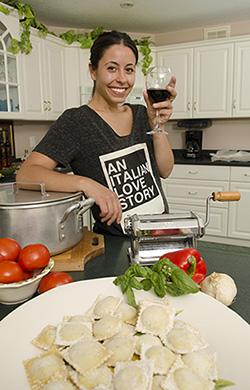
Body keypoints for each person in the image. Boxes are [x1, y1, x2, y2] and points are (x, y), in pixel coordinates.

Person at [16, 30, 177, 236]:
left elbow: (165, 170)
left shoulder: (141, 113)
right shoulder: (76, 122)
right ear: (93, 71)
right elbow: (26, 174)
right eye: (111, 68)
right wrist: (86, 184)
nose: (122, 79)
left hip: (161, 231)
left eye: (129, 70)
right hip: (117, 243)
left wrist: (158, 125)